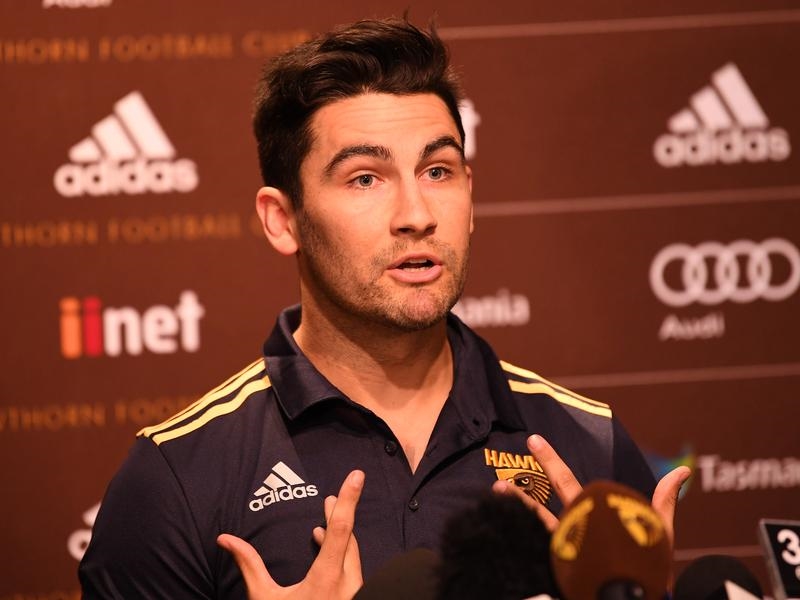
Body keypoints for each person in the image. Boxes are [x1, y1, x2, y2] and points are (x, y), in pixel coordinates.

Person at [79, 17, 689, 599]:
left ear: (470, 195)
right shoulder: (179, 474)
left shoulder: (587, 446)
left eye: (438, 171)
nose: (417, 215)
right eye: (365, 178)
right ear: (283, 219)